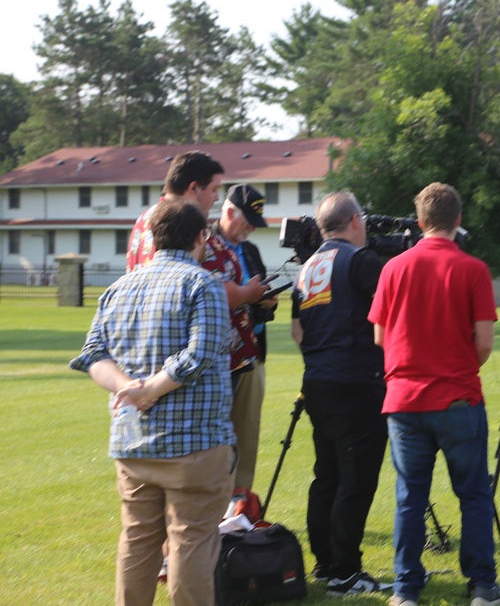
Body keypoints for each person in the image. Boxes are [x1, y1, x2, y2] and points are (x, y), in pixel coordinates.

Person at [70, 198, 235, 606]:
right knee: (191, 542)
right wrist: (147, 389)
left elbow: (93, 355)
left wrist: (128, 387)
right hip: (196, 443)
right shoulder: (203, 284)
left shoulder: (117, 288)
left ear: (151, 236)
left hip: (133, 441)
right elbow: (201, 353)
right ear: (201, 237)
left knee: (138, 541)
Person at [368, 182, 500, 606]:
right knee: (473, 494)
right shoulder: (473, 269)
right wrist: (460, 365)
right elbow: (484, 342)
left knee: (410, 496)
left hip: (404, 400)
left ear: (419, 222)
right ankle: (482, 584)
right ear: (458, 220)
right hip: (457, 397)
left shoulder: (393, 268)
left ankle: (406, 589)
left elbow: (380, 335)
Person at [290, 192, 390, 596]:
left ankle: (327, 563)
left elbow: (298, 331)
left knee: (327, 475)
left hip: (318, 380)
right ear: (353, 221)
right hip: (355, 381)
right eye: (362, 220)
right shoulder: (360, 260)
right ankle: (347, 571)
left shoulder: (308, 266)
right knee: (356, 479)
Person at [211, 183, 275, 491]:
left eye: (255, 221)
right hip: (219, 358)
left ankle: (241, 506)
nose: (250, 227)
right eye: (246, 219)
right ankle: (216, 506)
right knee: (218, 438)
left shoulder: (250, 250)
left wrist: (265, 300)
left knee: (247, 434)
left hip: (253, 354)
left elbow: (257, 296)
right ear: (228, 211)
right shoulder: (204, 242)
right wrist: (247, 295)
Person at [126, 150, 225, 272]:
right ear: (194, 188)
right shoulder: (185, 222)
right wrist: (243, 291)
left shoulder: (143, 219)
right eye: (214, 189)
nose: (217, 197)